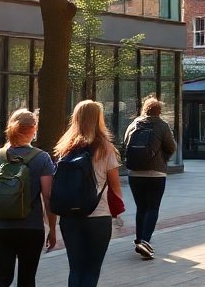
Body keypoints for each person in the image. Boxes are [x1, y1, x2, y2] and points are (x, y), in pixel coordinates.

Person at [0, 109, 56, 287]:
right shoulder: (42, 158)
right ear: (34, 129)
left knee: (1, 278)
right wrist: (52, 228)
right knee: (27, 280)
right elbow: (48, 196)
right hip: (31, 227)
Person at [54, 99, 123, 287]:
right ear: (99, 119)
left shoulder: (64, 148)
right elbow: (115, 186)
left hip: (69, 216)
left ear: (76, 118)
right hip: (98, 215)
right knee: (92, 269)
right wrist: (117, 211)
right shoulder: (106, 148)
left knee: (75, 268)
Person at [123, 96, 176, 259]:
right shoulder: (162, 125)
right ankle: (145, 241)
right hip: (156, 173)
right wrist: (163, 159)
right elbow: (171, 146)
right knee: (152, 208)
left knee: (141, 207)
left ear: (144, 109)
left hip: (135, 173)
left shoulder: (133, 124)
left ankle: (139, 239)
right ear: (159, 111)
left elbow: (125, 144)